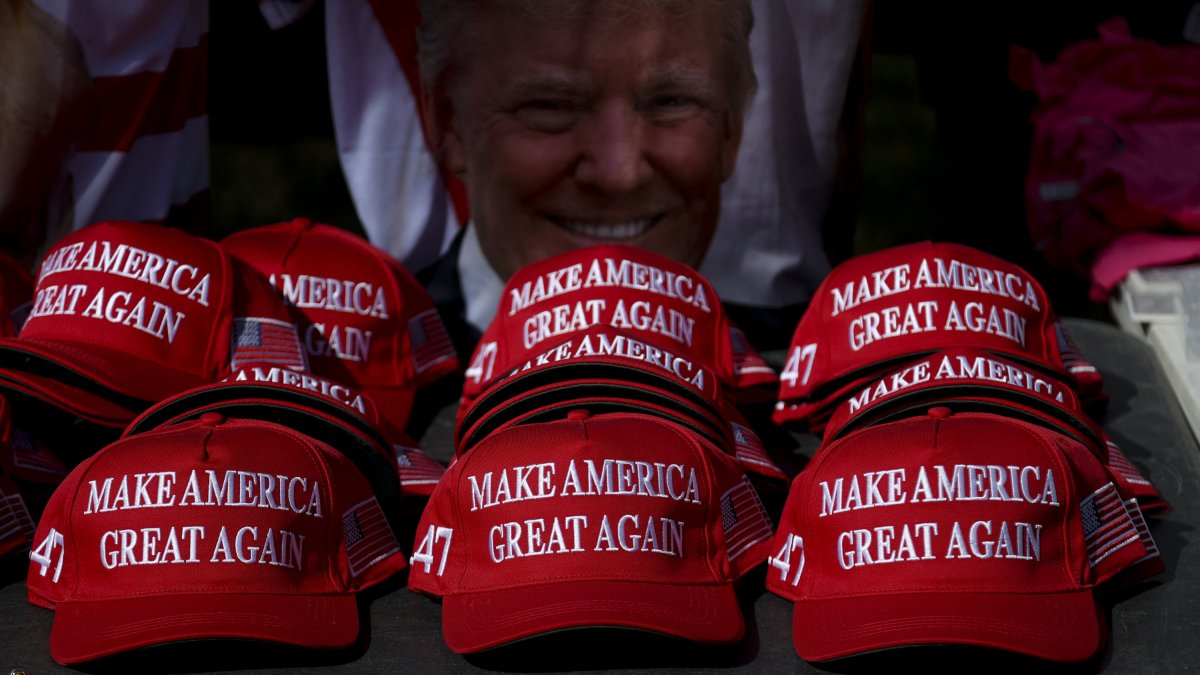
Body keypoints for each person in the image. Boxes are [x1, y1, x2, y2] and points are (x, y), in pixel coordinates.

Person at [414, 0, 848, 360]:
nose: (619, 174)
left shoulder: (829, 376)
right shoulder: (356, 372)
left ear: (732, 130)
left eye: (671, 103)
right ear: (448, 124)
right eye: (551, 107)